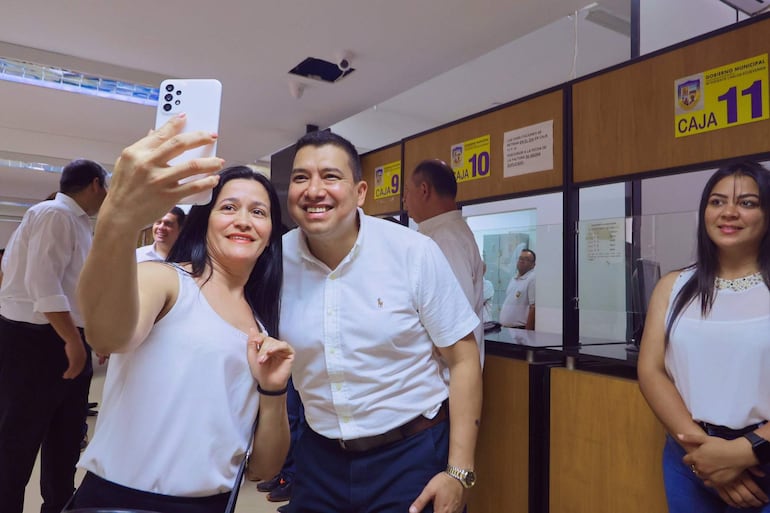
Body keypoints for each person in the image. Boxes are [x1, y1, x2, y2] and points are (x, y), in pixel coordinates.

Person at [73, 116, 293, 512]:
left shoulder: (260, 327)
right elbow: (108, 336)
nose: (243, 220)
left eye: (259, 212)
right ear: (205, 221)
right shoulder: (166, 280)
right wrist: (117, 220)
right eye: (229, 207)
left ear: (270, 236)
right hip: (120, 502)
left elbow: (264, 467)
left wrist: (274, 391)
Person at [281, 130, 482, 513]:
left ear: (360, 192)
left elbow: (463, 358)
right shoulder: (276, 261)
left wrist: (459, 472)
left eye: (330, 176)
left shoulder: (413, 252)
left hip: (410, 455)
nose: (314, 190)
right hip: (319, 458)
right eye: (301, 177)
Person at [638, 160, 770, 512]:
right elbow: (651, 371)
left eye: (747, 203)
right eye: (717, 201)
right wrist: (705, 455)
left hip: (763, 459)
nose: (729, 212)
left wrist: (743, 452)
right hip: (689, 457)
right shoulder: (673, 286)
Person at [0, 159, 108, 513]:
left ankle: (59, 506)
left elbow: (75, 288)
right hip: (36, 340)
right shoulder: (55, 214)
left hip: (60, 335)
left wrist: (88, 334)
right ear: (95, 184)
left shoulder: (78, 222)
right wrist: (72, 340)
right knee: (17, 442)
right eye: (106, 187)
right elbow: (42, 283)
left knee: (65, 438)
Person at [404, 158, 485, 366]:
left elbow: (453, 318)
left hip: (444, 375)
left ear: (424, 190)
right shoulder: (440, 234)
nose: (404, 200)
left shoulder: (445, 239)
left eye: (407, 192)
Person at [499, 249, 536, 329]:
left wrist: (527, 332)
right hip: (506, 328)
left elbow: (533, 307)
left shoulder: (532, 279)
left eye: (526, 259)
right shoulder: (514, 279)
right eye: (520, 258)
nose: (522, 261)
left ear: (533, 265)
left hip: (520, 329)